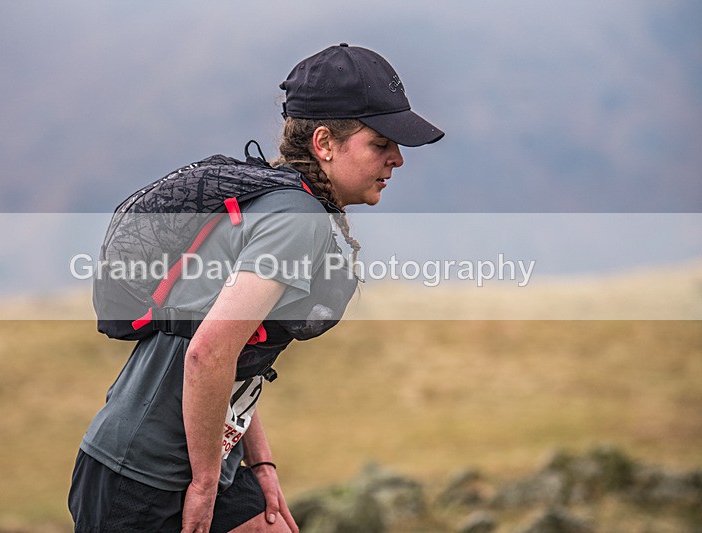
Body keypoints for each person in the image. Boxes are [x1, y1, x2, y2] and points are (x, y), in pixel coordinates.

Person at [69, 43, 443, 533]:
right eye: (380, 144)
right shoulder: (296, 217)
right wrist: (204, 483)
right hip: (145, 476)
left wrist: (259, 465)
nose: (397, 159)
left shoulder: (281, 204)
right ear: (325, 143)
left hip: (192, 464)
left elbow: (240, 354)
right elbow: (208, 352)